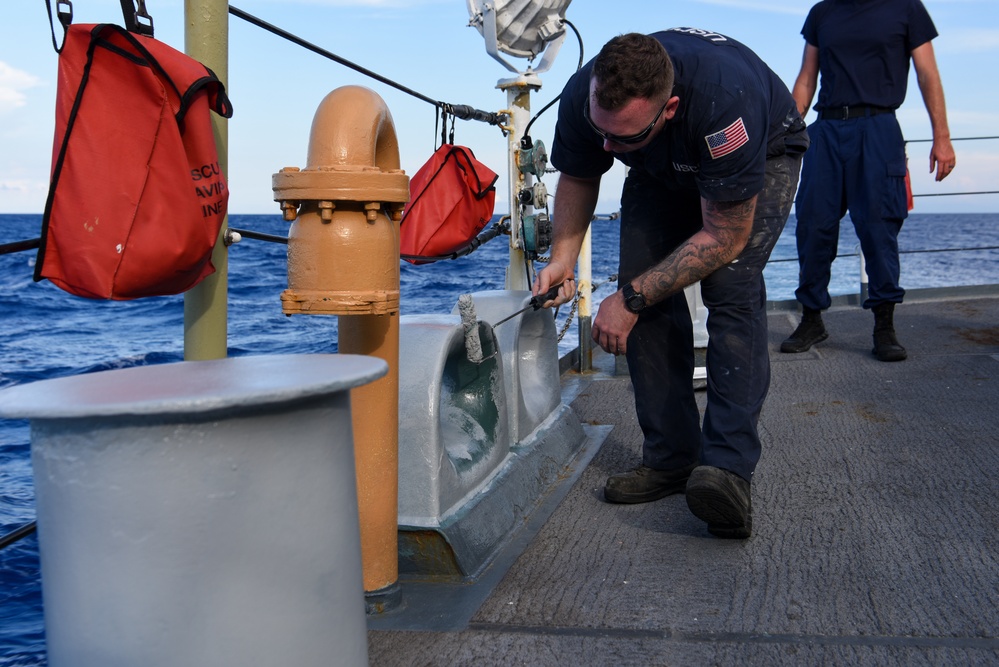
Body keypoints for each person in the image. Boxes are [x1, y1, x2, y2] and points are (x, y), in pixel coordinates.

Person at [534, 29, 809, 539]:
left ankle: (726, 472)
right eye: (602, 132)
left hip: (761, 150)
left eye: (622, 138)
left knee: (730, 286)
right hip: (662, 163)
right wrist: (563, 260)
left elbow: (724, 237)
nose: (608, 148)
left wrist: (630, 298)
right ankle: (672, 459)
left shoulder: (725, 107)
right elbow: (578, 173)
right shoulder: (588, 96)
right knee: (642, 285)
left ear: (670, 107)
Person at [781, 0, 956, 362]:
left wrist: (942, 136)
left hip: (878, 127)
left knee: (879, 229)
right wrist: (788, 130)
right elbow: (806, 78)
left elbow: (928, 74)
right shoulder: (823, 12)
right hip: (826, 129)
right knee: (813, 227)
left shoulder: (907, 9)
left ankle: (884, 326)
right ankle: (812, 319)